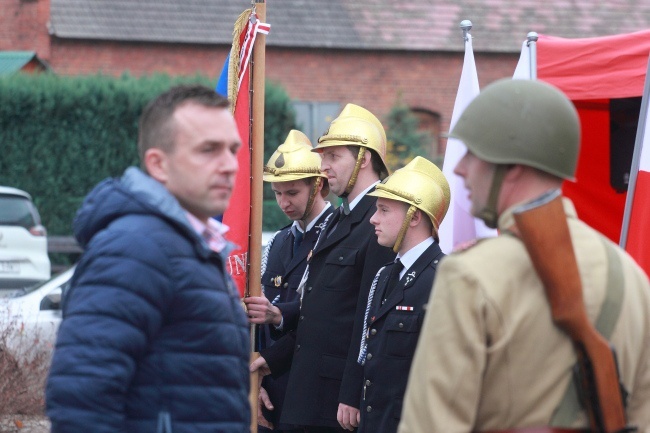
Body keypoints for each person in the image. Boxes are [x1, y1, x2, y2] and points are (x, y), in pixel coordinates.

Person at [398, 79, 650, 433]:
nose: (459, 169)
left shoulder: (470, 276)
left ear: (511, 166)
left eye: (473, 152)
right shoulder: (633, 278)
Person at [45, 85, 251, 433]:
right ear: (158, 163)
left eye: (233, 150)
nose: (230, 166)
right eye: (208, 150)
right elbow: (83, 399)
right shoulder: (136, 248)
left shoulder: (189, 245)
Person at [251, 103, 396, 432]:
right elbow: (318, 311)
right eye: (322, 157)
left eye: (333, 157)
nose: (324, 166)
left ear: (365, 157)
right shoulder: (341, 219)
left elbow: (369, 318)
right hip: (307, 393)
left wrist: (353, 391)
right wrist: (271, 360)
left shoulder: (379, 219)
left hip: (336, 403)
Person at [244, 130, 333, 432]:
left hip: (314, 394)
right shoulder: (280, 240)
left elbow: (325, 317)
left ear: (319, 185)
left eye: (292, 193)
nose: (283, 202)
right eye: (277, 193)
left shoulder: (337, 236)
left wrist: (269, 360)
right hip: (272, 392)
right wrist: (257, 381)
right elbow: (258, 315)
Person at [357, 156, 449, 433]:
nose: (373, 219)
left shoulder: (445, 278)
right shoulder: (385, 275)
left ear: (415, 216)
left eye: (384, 210)